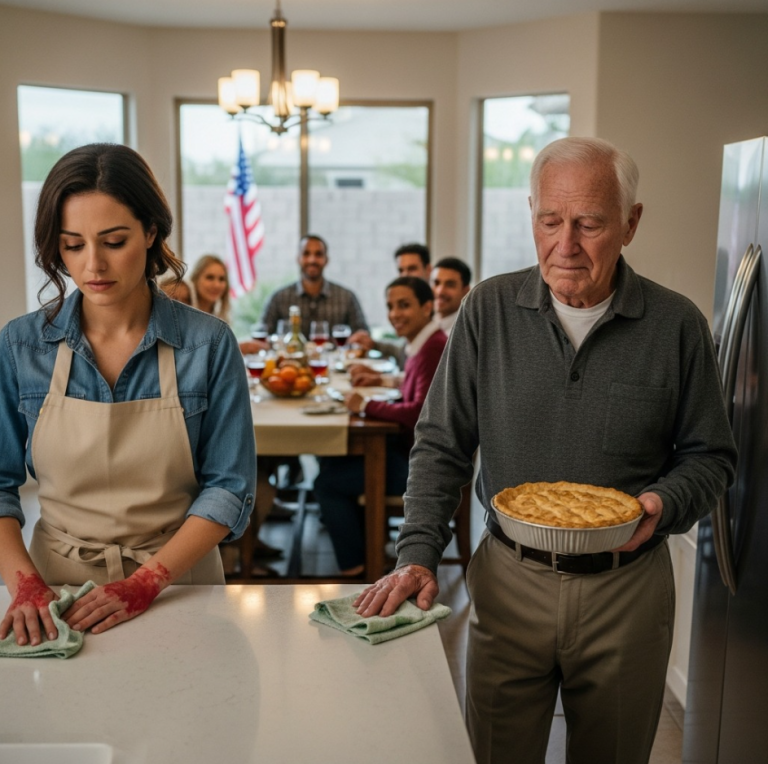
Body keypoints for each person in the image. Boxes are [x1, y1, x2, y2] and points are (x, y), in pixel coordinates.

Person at [353, 137, 737, 764]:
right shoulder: (488, 310)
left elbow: (712, 455)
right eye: (550, 221)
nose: (566, 245)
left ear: (630, 223)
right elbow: (442, 441)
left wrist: (662, 504)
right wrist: (417, 551)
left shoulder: (677, 326)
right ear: (531, 213)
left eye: (589, 224)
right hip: (509, 579)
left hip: (627, 587)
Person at [0, 144, 256, 646]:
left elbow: (228, 488)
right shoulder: (20, 346)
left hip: (179, 585)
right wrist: (24, 584)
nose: (93, 264)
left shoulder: (208, 345)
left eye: (113, 241)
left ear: (151, 232)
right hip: (57, 594)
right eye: (72, 245)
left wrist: (145, 583)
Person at [313, 276, 447, 577]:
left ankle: (357, 569)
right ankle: (364, 548)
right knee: (334, 459)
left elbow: (417, 413)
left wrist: (365, 404)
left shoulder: (433, 347)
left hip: (418, 468)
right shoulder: (423, 343)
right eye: (390, 306)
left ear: (427, 308)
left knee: (326, 483)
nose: (395, 313)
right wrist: (382, 381)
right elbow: (414, 387)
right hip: (408, 453)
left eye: (404, 305)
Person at [259, 234, 369, 338]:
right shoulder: (279, 298)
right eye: (306, 254)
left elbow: (362, 335)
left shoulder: (346, 297)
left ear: (326, 260)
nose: (312, 260)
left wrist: (360, 340)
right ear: (298, 259)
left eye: (318, 254)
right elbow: (262, 334)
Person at [430, 257, 471, 335]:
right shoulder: (422, 323)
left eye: (450, 285)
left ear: (466, 291)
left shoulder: (466, 333)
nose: (440, 291)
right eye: (436, 283)